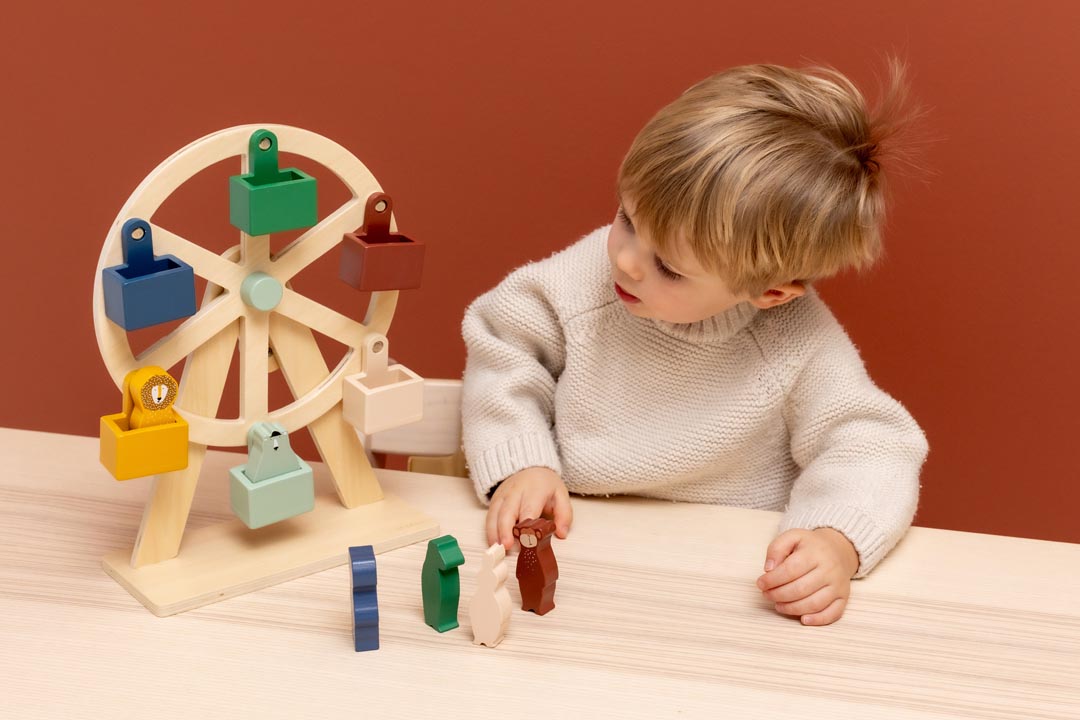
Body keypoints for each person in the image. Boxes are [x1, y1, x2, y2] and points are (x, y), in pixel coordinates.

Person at [460, 61, 929, 626]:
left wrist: (836, 538)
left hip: (724, 581)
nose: (626, 261)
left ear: (770, 293)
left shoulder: (795, 343)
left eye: (670, 268)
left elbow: (874, 445)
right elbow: (503, 341)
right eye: (627, 218)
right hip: (582, 549)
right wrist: (523, 463)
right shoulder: (584, 283)